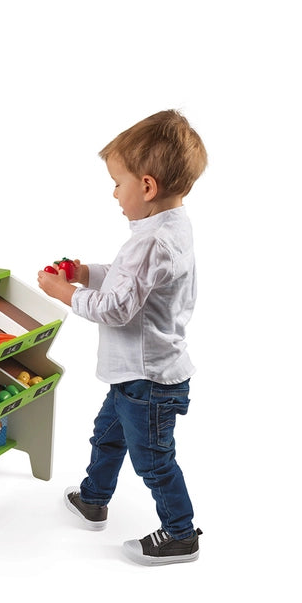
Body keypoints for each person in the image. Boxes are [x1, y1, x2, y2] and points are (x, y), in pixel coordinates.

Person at [37, 110, 207, 566]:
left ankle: (181, 533)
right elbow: (127, 280)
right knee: (107, 436)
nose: (114, 194)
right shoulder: (167, 227)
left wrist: (64, 292)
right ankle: (93, 499)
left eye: (117, 184)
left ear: (147, 187)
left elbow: (116, 306)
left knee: (154, 461)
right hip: (134, 377)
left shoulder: (152, 241)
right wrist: (85, 273)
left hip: (147, 382)